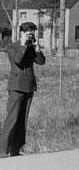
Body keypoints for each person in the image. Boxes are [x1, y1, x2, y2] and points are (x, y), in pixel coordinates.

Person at [1, 22, 46, 157]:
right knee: (12, 119)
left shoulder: (32, 47)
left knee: (23, 120)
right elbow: (18, 60)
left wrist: (37, 49)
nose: (30, 35)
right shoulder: (12, 46)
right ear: (21, 33)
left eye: (32, 33)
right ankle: (3, 150)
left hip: (28, 86)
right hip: (16, 87)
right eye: (28, 33)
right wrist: (23, 44)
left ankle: (15, 150)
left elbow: (41, 61)